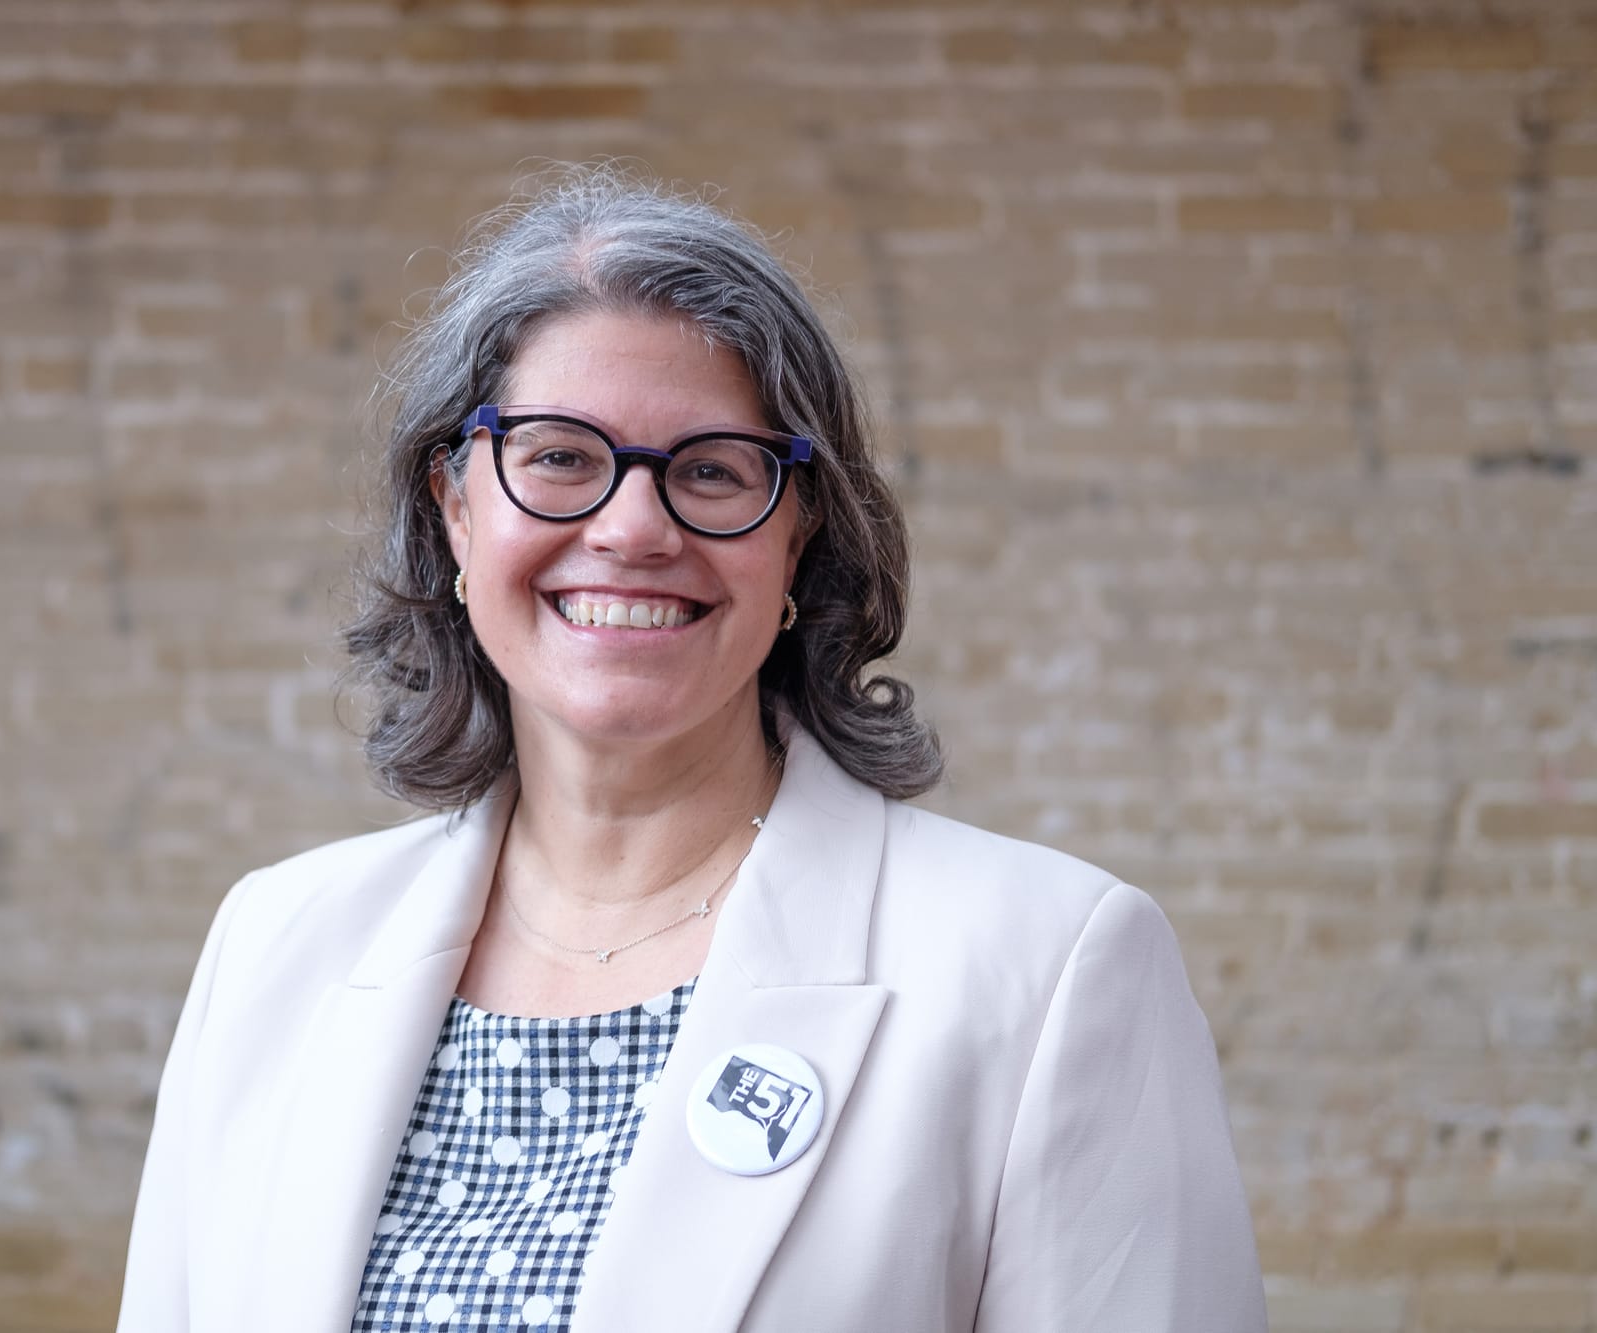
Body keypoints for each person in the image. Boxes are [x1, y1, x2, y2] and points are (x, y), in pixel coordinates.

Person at [117, 167, 1268, 1332]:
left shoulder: (1050, 964)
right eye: (558, 456)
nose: (631, 527)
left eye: (711, 470)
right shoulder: (271, 948)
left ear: (797, 539)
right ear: (456, 509)